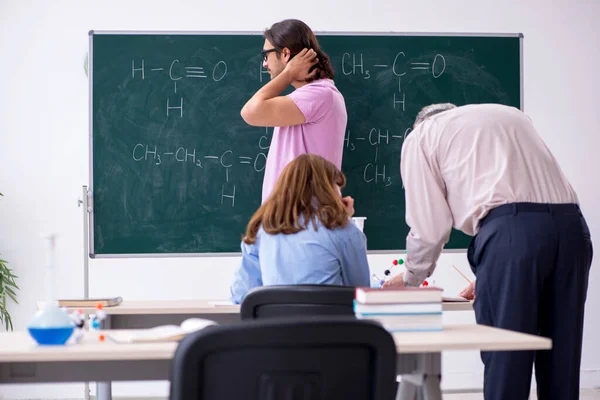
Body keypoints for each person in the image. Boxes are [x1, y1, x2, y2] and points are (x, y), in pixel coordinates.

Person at [383, 103, 593, 400]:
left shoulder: (421, 136)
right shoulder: (509, 116)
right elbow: (527, 201)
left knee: (507, 359)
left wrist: (410, 279)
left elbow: (429, 227)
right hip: (573, 230)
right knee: (562, 358)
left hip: (511, 237)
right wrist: (490, 273)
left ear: (420, 124)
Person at [229, 154, 369, 304]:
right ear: (329, 190)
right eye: (337, 186)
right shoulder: (345, 231)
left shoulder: (262, 230)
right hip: (328, 325)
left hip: (275, 325)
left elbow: (241, 294)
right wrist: (344, 219)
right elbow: (362, 294)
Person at [240, 19, 347, 203]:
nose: (265, 64)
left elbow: (250, 112)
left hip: (301, 221)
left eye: (266, 55)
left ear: (285, 54)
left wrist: (289, 72)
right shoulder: (313, 96)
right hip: (294, 222)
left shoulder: (319, 95)